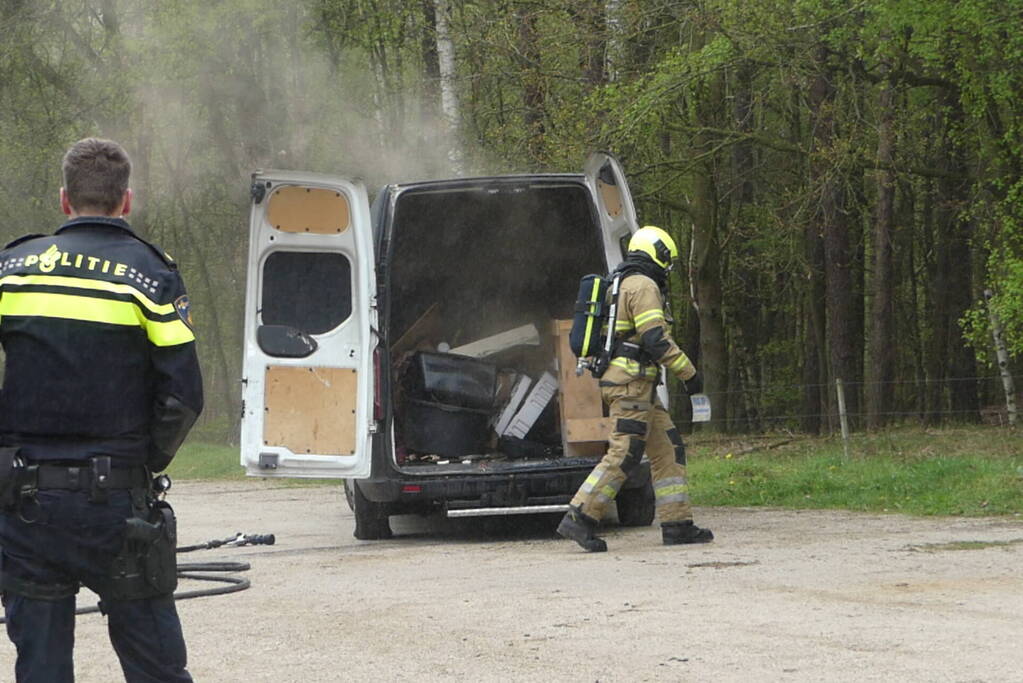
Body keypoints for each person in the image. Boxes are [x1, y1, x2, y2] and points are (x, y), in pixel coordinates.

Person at [0, 138, 203, 681]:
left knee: (40, 669)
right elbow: (183, 395)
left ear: (65, 200)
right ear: (126, 201)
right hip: (119, 507)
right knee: (156, 668)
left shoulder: (12, 268)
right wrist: (142, 460)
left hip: (25, 504)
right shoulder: (150, 274)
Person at [557, 225, 713, 552]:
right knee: (624, 453)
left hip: (638, 385)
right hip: (631, 386)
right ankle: (580, 516)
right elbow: (655, 339)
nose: (667, 267)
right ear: (654, 252)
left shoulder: (622, 283)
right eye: (667, 259)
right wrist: (689, 373)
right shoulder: (642, 286)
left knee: (668, 448)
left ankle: (677, 523)